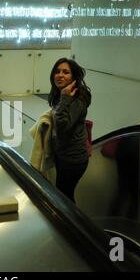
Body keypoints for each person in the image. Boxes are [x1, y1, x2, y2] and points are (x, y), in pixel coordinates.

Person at [48, 58, 91, 202]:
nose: (60, 75)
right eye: (57, 71)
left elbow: (62, 126)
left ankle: (71, 223)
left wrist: (65, 98)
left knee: (64, 196)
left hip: (73, 159)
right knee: (63, 193)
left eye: (66, 72)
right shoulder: (60, 93)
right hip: (62, 154)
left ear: (74, 77)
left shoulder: (77, 99)